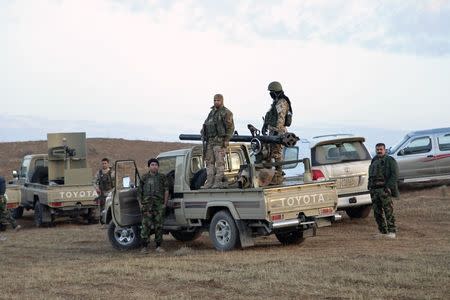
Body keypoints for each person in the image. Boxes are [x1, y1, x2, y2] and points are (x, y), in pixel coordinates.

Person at [261, 81, 293, 185]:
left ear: (275, 92)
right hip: (273, 132)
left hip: (278, 133)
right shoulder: (276, 101)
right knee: (270, 154)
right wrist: (265, 125)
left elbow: (280, 119)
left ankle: (278, 175)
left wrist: (276, 134)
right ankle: (271, 176)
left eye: (271, 92)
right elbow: (270, 115)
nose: (270, 94)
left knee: (277, 155)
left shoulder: (282, 102)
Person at [201, 94, 235, 189]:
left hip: (219, 142)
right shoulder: (212, 112)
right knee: (209, 163)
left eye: (218, 100)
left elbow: (230, 128)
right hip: (210, 142)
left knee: (220, 163)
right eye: (215, 100)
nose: (216, 102)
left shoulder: (226, 112)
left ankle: (218, 182)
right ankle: (209, 182)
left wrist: (226, 141)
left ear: (222, 101)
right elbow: (206, 124)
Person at [368, 143, 399, 239]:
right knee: (377, 212)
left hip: (384, 189)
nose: (379, 151)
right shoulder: (374, 160)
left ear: (385, 150)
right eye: (377, 149)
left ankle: (392, 231)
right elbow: (370, 175)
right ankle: (383, 231)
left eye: (381, 149)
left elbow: (395, 175)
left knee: (388, 211)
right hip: (374, 190)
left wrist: (388, 187)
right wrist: (369, 186)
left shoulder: (390, 160)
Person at [137, 158, 169, 253]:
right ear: (149, 166)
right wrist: (140, 205)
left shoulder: (162, 177)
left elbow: (166, 190)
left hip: (158, 206)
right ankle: (144, 247)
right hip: (146, 206)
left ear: (158, 167)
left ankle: (158, 246)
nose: (154, 166)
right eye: (152, 165)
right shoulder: (144, 178)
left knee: (159, 226)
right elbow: (139, 192)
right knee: (145, 226)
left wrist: (164, 204)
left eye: (156, 165)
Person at [0, 176, 21, 241]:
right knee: (5, 213)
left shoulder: (1, 180)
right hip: (1, 199)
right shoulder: (1, 180)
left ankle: (15, 226)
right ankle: (15, 226)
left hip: (1, 199)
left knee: (4, 213)